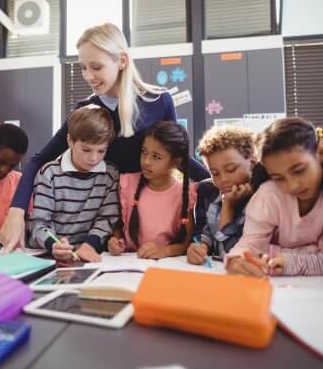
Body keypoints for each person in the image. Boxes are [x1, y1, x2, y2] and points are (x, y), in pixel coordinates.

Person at [0, 22, 209, 252]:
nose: (88, 76)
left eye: (96, 67)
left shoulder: (158, 101)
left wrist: (216, 181)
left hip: (147, 210)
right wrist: (16, 211)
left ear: (121, 61)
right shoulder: (86, 110)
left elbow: (178, 156)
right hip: (106, 218)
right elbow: (39, 160)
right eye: (83, 67)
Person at [226, 118, 323, 276]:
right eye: (278, 178)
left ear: (319, 152)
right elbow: (248, 246)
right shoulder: (269, 196)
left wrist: (287, 260)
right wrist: (236, 260)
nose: (292, 186)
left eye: (299, 170)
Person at [28, 105, 119, 263]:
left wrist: (90, 244)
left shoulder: (110, 175)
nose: (93, 158)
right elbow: (39, 223)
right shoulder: (49, 173)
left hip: (89, 255)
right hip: (50, 255)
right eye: (86, 150)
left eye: (101, 151)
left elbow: (106, 219)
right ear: (70, 140)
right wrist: (54, 245)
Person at [108, 121, 196, 259]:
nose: (146, 161)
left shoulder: (184, 194)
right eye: (144, 152)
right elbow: (119, 226)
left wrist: (165, 251)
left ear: (175, 163)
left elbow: (187, 242)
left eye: (156, 157)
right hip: (128, 264)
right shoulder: (126, 183)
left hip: (166, 266)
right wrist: (115, 241)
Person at [187, 125, 255, 264]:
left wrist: (227, 206)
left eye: (231, 169)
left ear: (252, 163)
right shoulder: (208, 190)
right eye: (215, 173)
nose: (223, 179)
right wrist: (199, 246)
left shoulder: (264, 198)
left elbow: (230, 254)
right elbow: (203, 232)